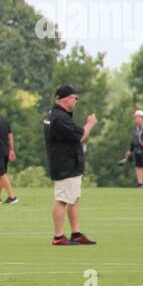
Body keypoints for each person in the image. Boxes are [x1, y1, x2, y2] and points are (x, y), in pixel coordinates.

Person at [43, 84, 97, 245]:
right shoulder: (59, 118)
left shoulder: (57, 115)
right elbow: (79, 135)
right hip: (64, 164)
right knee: (62, 199)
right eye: (75, 98)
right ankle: (58, 236)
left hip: (70, 163)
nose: (76, 101)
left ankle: (76, 233)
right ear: (66, 99)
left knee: (73, 198)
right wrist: (90, 124)